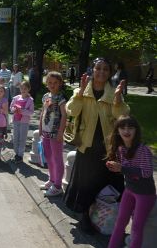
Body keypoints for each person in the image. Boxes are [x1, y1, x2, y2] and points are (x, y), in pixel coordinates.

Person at [63, 57, 130, 234]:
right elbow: (71, 110)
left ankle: (108, 216)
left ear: (109, 73)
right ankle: (85, 216)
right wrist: (79, 94)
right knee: (86, 183)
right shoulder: (82, 91)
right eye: (98, 68)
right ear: (92, 70)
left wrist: (117, 101)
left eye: (105, 69)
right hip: (87, 145)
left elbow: (123, 117)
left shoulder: (113, 92)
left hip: (108, 147)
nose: (101, 72)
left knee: (110, 182)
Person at [106, 115, 156, 248]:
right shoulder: (121, 149)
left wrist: (122, 168)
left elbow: (146, 172)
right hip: (129, 190)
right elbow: (126, 170)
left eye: (130, 128)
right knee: (119, 223)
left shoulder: (143, 150)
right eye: (122, 127)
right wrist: (115, 167)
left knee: (136, 228)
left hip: (145, 194)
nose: (126, 131)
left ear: (136, 131)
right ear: (118, 131)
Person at [38, 72, 67, 196]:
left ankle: (57, 185)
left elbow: (64, 115)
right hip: (46, 131)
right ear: (46, 83)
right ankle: (52, 179)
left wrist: (61, 132)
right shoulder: (45, 96)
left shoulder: (61, 98)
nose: (52, 85)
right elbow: (43, 112)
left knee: (57, 158)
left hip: (55, 133)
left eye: (55, 83)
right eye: (49, 82)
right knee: (48, 157)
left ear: (60, 83)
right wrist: (40, 127)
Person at [10, 81, 34, 164]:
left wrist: (22, 111)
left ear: (28, 89)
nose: (23, 90)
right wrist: (15, 109)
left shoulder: (30, 100)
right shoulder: (16, 98)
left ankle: (20, 155)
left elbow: (31, 112)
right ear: (19, 89)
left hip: (24, 122)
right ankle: (16, 153)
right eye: (21, 88)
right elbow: (11, 108)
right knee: (15, 138)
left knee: (22, 139)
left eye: (25, 88)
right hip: (16, 120)